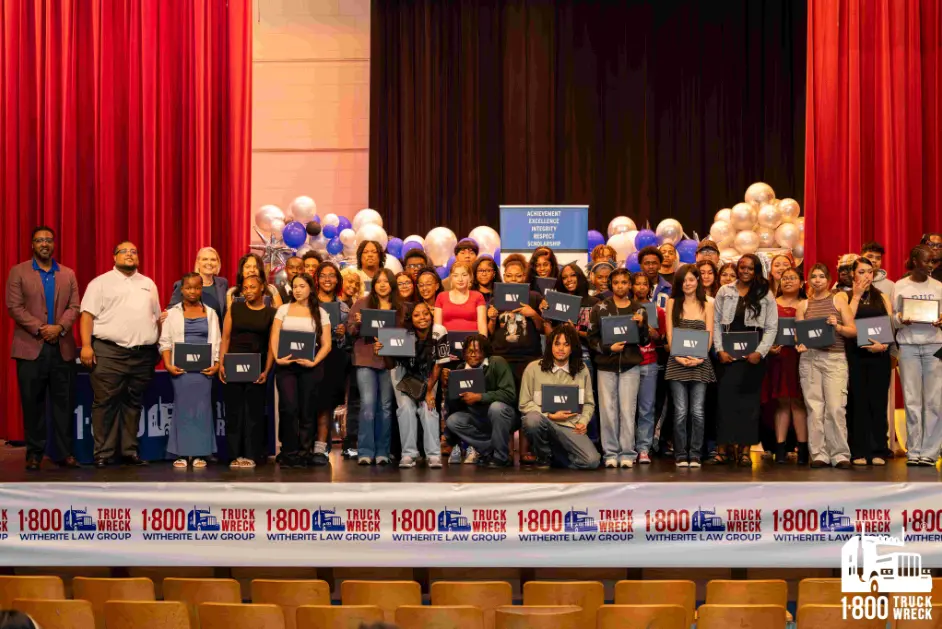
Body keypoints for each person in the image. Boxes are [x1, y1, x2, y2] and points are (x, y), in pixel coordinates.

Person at [80, 241, 161, 467]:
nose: (130, 255)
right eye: (124, 251)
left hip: (142, 355)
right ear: (114, 256)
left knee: (133, 403)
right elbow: (86, 316)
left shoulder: (148, 284)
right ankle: (103, 454)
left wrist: (157, 344)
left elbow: (156, 317)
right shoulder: (100, 283)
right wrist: (86, 346)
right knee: (105, 402)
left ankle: (128, 451)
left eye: (134, 251)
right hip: (109, 352)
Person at [5, 226, 81, 470]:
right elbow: (14, 307)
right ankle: (34, 453)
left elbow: (74, 306)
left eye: (48, 240)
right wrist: (41, 328)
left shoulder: (67, 273)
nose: (45, 244)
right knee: (32, 402)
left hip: (62, 347)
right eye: (39, 240)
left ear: (54, 244)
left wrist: (58, 328)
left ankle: (65, 452)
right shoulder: (18, 272)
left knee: (64, 403)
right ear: (32, 245)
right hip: (30, 347)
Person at [713, 253, 778, 467]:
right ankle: (723, 449)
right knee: (725, 402)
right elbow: (716, 324)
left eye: (750, 268)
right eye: (742, 267)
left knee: (749, 404)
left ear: (756, 270)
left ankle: (744, 450)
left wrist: (761, 352)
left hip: (754, 355)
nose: (745, 271)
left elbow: (771, 327)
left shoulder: (765, 293)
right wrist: (719, 350)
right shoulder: (725, 291)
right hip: (728, 357)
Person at [796, 263, 857, 469]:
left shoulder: (839, 299)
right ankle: (819, 453)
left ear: (829, 280)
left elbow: (852, 330)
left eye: (822, 276)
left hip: (835, 358)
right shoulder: (803, 305)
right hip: (811, 359)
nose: (817, 280)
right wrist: (800, 343)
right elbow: (799, 335)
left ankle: (840, 454)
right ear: (809, 280)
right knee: (814, 408)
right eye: (814, 276)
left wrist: (836, 325)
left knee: (835, 408)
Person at [588, 268, 650, 468]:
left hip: (630, 365)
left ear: (629, 285)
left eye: (624, 282)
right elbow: (591, 339)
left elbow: (645, 341)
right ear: (610, 285)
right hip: (606, 366)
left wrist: (641, 326)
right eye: (616, 283)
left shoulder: (639, 309)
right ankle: (610, 454)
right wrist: (608, 348)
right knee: (607, 410)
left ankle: (627, 453)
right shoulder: (599, 308)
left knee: (627, 410)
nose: (620, 286)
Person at [487, 254, 546, 465]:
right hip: (502, 359)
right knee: (504, 405)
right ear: (505, 277)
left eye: (518, 276)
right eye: (509, 276)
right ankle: (506, 451)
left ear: (524, 277)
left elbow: (543, 329)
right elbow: (489, 332)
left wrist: (533, 314)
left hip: (529, 359)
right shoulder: (496, 298)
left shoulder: (534, 297)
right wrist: (492, 318)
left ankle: (525, 449)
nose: (513, 279)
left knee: (528, 404)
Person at [376, 301, 449, 468]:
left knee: (428, 408)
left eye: (425, 313)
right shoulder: (402, 333)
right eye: (417, 315)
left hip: (428, 373)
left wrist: (429, 391)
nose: (422, 318)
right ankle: (409, 454)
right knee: (406, 409)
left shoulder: (439, 331)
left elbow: (439, 364)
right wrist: (383, 351)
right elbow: (391, 365)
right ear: (411, 319)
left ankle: (433, 455)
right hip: (403, 373)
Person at [159, 272, 220, 469]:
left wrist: (217, 364)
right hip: (181, 369)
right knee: (183, 410)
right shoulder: (172, 313)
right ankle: (183, 453)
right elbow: (165, 342)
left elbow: (217, 342)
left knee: (202, 410)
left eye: (197, 287)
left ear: (201, 289)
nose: (193, 291)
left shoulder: (210, 313)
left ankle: (201, 452)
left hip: (203, 370)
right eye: (188, 288)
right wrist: (168, 364)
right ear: (181, 289)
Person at [271, 273, 332, 467]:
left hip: (310, 368)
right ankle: (289, 452)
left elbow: (327, 344)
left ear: (310, 288)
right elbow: (274, 336)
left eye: (302, 286)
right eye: (294, 286)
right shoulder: (283, 309)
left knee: (307, 410)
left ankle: (305, 453)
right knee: (289, 408)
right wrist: (277, 358)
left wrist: (314, 362)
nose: (297, 290)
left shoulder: (320, 313)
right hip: (286, 367)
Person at [519, 325, 600, 470]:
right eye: (557, 344)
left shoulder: (582, 370)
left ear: (572, 348)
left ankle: (556, 457)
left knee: (591, 462)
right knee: (532, 420)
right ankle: (543, 457)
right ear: (550, 345)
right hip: (545, 421)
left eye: (566, 344)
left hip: (570, 425)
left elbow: (588, 403)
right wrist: (550, 415)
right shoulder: (533, 368)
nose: (561, 349)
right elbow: (524, 404)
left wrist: (583, 421)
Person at [219, 275, 275, 468]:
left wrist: (266, 370)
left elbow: (271, 345)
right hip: (233, 365)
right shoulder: (235, 308)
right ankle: (234, 455)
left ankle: (251, 454)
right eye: (245, 288)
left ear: (262, 289)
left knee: (254, 413)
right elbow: (225, 338)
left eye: (252, 287)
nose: (248, 291)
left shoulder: (271, 313)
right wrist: (221, 364)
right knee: (234, 412)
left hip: (256, 368)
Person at [895, 245, 942, 465]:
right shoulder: (900, 286)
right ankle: (913, 451)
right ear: (915, 261)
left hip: (934, 346)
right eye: (927, 261)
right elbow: (892, 318)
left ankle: (930, 452)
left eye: (933, 261)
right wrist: (900, 319)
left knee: (934, 401)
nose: (931, 266)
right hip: (909, 347)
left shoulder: (939, 287)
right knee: (912, 401)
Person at [665, 265, 716, 468]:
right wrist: (677, 355)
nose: (688, 284)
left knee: (697, 411)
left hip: (700, 363)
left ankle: (695, 453)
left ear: (698, 281)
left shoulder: (708, 305)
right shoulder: (672, 303)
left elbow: (710, 335)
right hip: (676, 362)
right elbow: (669, 334)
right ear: (679, 283)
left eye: (691, 279)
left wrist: (700, 357)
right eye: (684, 280)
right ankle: (680, 453)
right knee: (680, 411)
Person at [348, 268, 400, 465]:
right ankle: (365, 451)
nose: (382, 285)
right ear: (374, 284)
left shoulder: (398, 306)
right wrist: (358, 324)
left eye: (386, 281)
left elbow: (403, 335)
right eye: (379, 281)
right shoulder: (361, 303)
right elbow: (350, 331)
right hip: (365, 360)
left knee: (386, 407)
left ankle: (382, 451)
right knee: (368, 405)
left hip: (389, 361)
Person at [846, 256, 894, 466]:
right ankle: (858, 450)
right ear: (852, 274)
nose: (867, 275)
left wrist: (883, 346)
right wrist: (856, 296)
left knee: (877, 401)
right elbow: (846, 322)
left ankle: (878, 450)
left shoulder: (882, 297)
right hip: (855, 355)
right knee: (857, 402)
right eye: (861, 272)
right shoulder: (845, 296)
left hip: (879, 355)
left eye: (870, 271)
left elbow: (890, 324)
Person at [444, 334, 518, 467]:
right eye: (470, 351)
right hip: (477, 418)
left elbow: (509, 394)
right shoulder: (460, 370)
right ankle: (490, 448)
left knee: (496, 407)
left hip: (503, 416)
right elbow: (454, 405)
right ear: (464, 352)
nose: (473, 355)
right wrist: (449, 387)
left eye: (478, 351)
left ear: (485, 352)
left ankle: (501, 457)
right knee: (453, 421)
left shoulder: (497, 362)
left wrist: (480, 397)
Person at [764, 267, 808, 464]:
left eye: (793, 278)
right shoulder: (771, 303)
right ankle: (779, 448)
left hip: (801, 358)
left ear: (801, 282)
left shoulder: (807, 304)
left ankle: (803, 448)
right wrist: (769, 346)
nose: (788, 281)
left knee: (798, 402)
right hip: (778, 357)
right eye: (784, 278)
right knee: (781, 402)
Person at [860, 240, 900, 456]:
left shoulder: (890, 286)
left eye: (877, 258)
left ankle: (881, 443)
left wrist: (893, 350)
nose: (874, 261)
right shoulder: (850, 286)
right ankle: (861, 443)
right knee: (860, 398)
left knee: (880, 399)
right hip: (857, 350)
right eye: (869, 257)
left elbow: (892, 320)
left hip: (882, 349)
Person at [314, 261, 351, 461]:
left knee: (326, 404)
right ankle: (308, 445)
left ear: (337, 280)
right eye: (323, 275)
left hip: (334, 358)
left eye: (331, 275)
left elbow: (348, 341)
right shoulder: (308, 303)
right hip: (311, 356)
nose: (327, 279)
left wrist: (343, 333)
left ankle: (321, 447)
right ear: (317, 279)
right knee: (311, 402)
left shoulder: (343, 307)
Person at [629, 272, 665, 464]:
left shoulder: (658, 311)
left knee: (646, 408)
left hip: (650, 362)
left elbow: (663, 339)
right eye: (638, 284)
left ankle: (644, 448)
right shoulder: (626, 309)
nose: (641, 287)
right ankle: (629, 447)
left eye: (645, 284)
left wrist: (652, 332)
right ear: (631, 287)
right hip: (629, 363)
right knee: (628, 409)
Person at [169, 247, 229, 320]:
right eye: (205, 259)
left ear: (218, 263)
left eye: (213, 259)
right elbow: (171, 312)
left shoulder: (223, 283)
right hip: (192, 330)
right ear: (198, 262)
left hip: (217, 330)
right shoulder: (182, 284)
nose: (209, 263)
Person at [435, 263, 487, 335]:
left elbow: (482, 326)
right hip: (447, 343)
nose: (460, 279)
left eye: (464, 275)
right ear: (451, 278)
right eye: (455, 276)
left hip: (471, 343)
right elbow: (437, 327)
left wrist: (481, 344)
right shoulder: (441, 297)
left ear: (470, 277)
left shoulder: (478, 296)